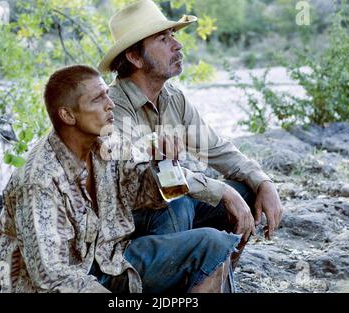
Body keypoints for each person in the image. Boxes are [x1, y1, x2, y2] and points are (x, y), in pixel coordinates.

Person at [0, 64, 245, 293]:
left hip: (111, 261)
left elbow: (149, 196)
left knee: (213, 245)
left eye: (107, 94)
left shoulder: (108, 143)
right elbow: (53, 278)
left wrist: (163, 163)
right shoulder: (40, 180)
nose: (110, 104)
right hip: (68, 285)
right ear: (68, 116)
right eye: (97, 99)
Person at [98, 0, 283, 268]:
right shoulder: (112, 106)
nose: (177, 45)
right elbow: (148, 176)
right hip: (129, 227)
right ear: (135, 57)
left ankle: (217, 278)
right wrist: (220, 191)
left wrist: (263, 182)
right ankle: (171, 284)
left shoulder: (175, 98)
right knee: (177, 202)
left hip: (170, 209)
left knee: (246, 191)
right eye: (163, 39)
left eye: (173, 35)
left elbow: (217, 150)